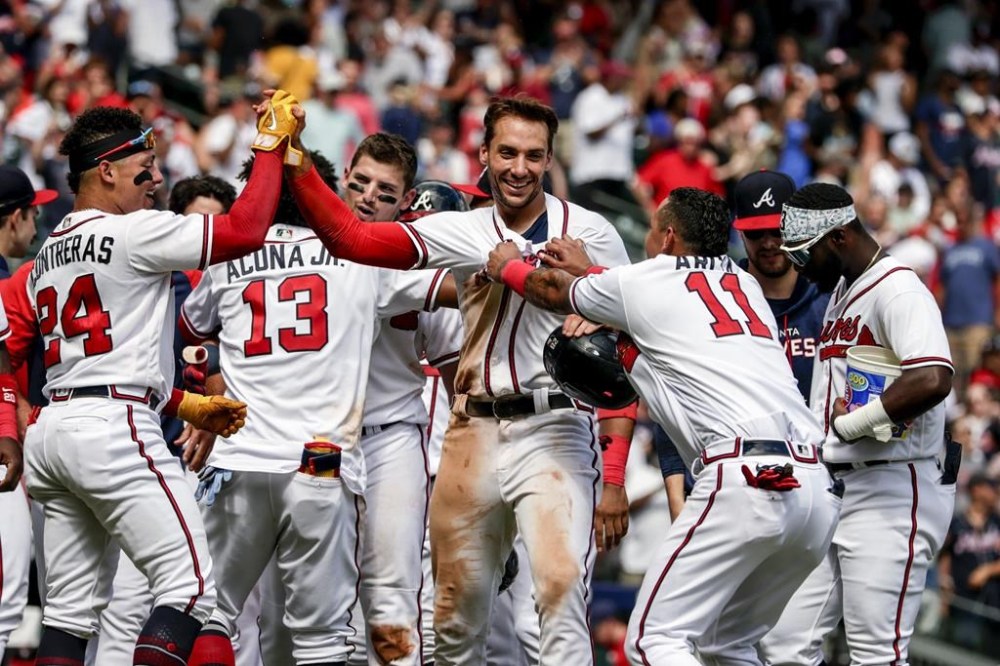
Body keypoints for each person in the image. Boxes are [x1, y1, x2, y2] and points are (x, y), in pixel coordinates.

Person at [283, 96, 632, 665]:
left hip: (556, 425)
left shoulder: (590, 231)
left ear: (549, 161)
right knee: (454, 615)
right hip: (471, 429)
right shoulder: (463, 228)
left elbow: (626, 348)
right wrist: (294, 159)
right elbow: (354, 240)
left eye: (534, 156)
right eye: (508, 153)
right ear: (485, 153)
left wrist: (589, 275)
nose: (520, 167)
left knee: (559, 592)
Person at [485, 186, 840, 663]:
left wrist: (507, 265)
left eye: (653, 230)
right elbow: (665, 298)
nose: (649, 240)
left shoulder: (646, 283)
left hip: (747, 477)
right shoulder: (745, 283)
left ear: (669, 236)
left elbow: (551, 291)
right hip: (814, 489)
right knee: (727, 644)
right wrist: (592, 271)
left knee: (654, 640)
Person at [23, 94, 299, 666]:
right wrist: (270, 145)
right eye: (144, 171)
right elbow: (246, 230)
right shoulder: (136, 232)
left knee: (67, 615)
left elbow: (94, 357)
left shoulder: (48, 251)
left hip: (54, 430)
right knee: (192, 588)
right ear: (106, 171)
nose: (155, 182)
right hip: (113, 426)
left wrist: (182, 402)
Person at [180, 149, 443, 666]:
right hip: (318, 463)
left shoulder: (228, 259)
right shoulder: (360, 256)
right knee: (322, 637)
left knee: (211, 614)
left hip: (242, 460)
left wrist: (213, 382)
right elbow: (449, 289)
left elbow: (192, 332)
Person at [760, 182, 957, 665]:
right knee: (785, 645)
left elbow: (933, 377)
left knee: (876, 654)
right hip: (840, 486)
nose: (798, 268)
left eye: (804, 256)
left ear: (839, 238)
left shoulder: (898, 287)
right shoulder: (844, 290)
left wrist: (852, 426)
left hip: (893, 484)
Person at [84, 174, 238, 666]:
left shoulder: (230, 281)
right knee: (128, 604)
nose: (205, 236)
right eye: (197, 224)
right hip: (141, 456)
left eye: (217, 224)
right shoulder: (157, 276)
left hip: (202, 466)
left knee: (219, 608)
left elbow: (206, 363)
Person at [0, 164, 54, 662]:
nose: (36, 226)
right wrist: (15, 426)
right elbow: (5, 363)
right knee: (7, 597)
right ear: (14, 217)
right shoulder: (13, 280)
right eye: (32, 213)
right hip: (5, 450)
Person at [939, 473, 1000, 654]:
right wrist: (944, 587)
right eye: (990, 487)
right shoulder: (957, 522)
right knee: (960, 652)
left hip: (994, 605)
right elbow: (945, 557)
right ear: (976, 490)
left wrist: (988, 570)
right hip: (963, 603)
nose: (995, 492)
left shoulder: (996, 522)